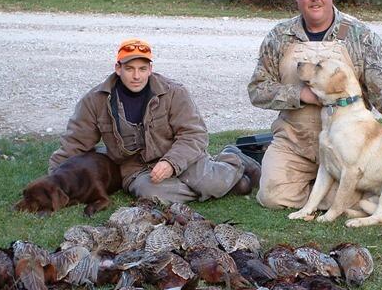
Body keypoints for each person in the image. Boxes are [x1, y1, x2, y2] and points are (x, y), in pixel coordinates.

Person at [247, 0, 382, 209]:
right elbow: (258, 89)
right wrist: (301, 94)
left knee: (350, 179)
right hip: (293, 142)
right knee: (271, 196)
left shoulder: (359, 35)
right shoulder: (279, 36)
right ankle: (340, 197)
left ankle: (336, 193)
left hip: (347, 146)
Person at [49, 38, 261, 203]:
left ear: (150, 69)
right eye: (129, 69)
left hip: (179, 155)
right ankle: (225, 184)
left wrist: (171, 163)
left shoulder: (174, 92)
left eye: (142, 69)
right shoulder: (95, 100)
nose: (136, 76)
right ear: (118, 68)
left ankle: (233, 159)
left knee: (210, 184)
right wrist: (55, 179)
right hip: (137, 168)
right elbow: (75, 143)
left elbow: (194, 134)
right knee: (152, 195)